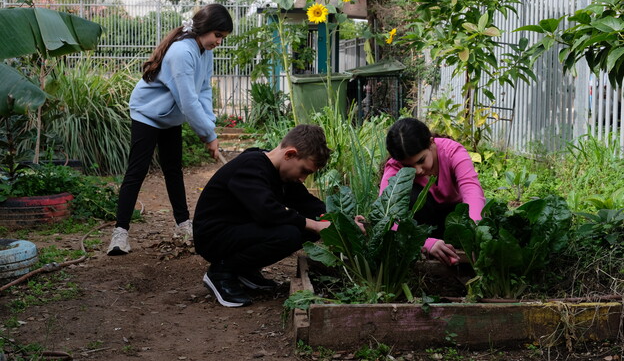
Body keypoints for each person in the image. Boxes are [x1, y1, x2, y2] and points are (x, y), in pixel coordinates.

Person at [107, 4, 233, 256]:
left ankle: (183, 225)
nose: (219, 42)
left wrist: (210, 126)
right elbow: (187, 101)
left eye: (223, 38)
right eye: (217, 35)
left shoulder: (204, 51)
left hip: (171, 117)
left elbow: (204, 91)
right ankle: (119, 234)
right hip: (148, 113)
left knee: (173, 170)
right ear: (205, 29)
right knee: (137, 171)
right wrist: (208, 136)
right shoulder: (181, 52)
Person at [193, 124, 363, 307]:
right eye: (304, 171)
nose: (303, 178)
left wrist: (342, 221)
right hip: (214, 237)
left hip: (238, 230)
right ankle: (221, 272)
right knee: (289, 234)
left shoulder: (280, 173)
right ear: (290, 154)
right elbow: (267, 212)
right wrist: (315, 225)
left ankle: (244, 270)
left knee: (308, 228)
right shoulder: (251, 167)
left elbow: (308, 203)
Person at [380, 118, 485, 266]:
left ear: (431, 143)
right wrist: (425, 242)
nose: (418, 170)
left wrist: (475, 233)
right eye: (408, 166)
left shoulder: (452, 152)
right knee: (411, 196)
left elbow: (471, 190)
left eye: (421, 160)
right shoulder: (394, 168)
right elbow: (386, 217)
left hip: (453, 223)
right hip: (421, 228)